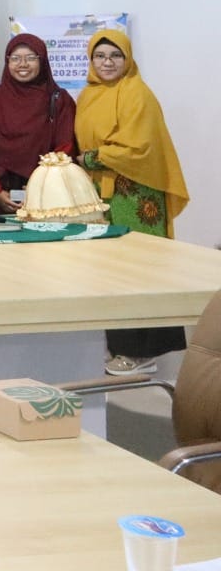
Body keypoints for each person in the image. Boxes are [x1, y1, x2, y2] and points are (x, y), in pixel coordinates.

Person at [76, 30, 190, 375]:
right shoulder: (88, 95)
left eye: (115, 55)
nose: (107, 62)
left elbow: (138, 148)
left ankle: (142, 352)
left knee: (140, 269)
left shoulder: (138, 93)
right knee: (110, 272)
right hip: (102, 194)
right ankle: (121, 347)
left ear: (127, 59)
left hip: (136, 195)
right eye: (100, 56)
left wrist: (91, 158)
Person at [0, 34, 76, 215]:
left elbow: (65, 147)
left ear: (42, 61)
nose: (22, 64)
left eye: (31, 58)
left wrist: (40, 185)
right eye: (15, 58)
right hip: (1, 195)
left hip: (47, 195)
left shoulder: (59, 99)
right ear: (7, 61)